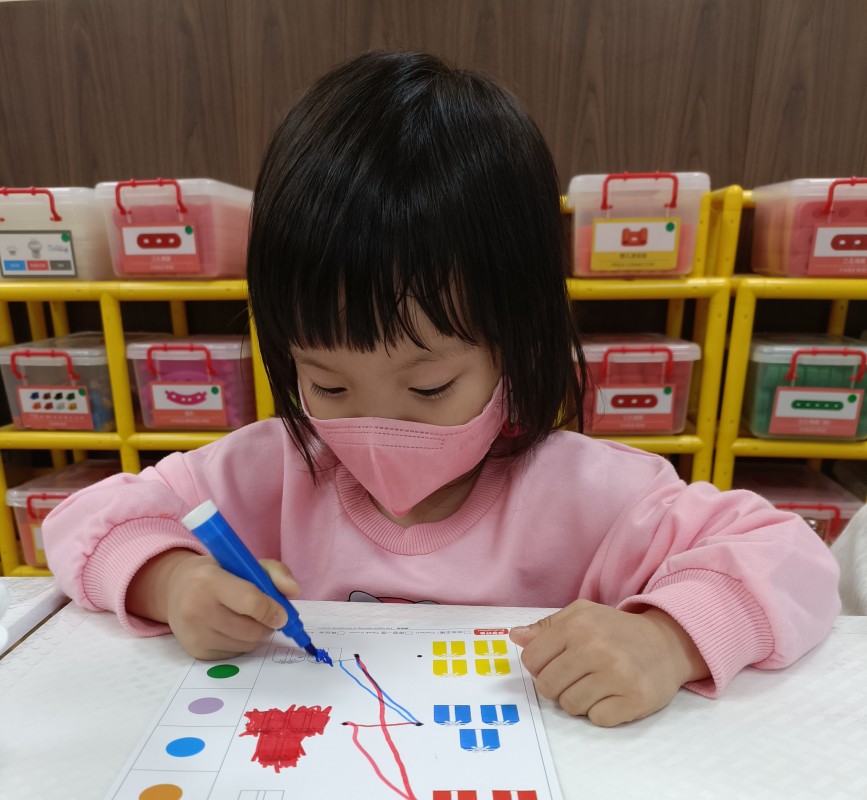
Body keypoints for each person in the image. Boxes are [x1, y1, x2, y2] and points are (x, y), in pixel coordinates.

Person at [44, 50, 840, 727]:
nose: (376, 427)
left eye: (429, 388)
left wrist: (666, 638)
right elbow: (82, 521)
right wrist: (172, 580)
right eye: (328, 384)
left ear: (516, 339)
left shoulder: (593, 495)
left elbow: (794, 560)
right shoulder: (265, 469)